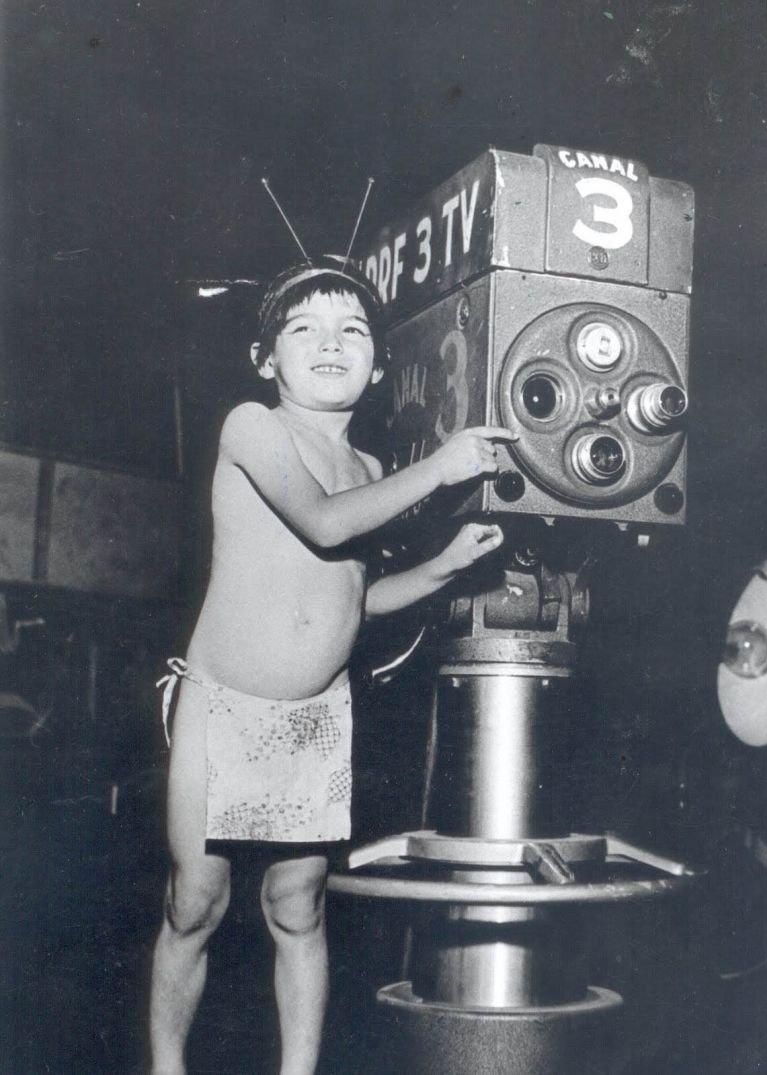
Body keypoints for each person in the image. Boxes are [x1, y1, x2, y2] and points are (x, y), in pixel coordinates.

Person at [149, 256, 515, 1075]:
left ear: (378, 367)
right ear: (265, 358)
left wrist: (446, 565)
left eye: (352, 330)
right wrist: (444, 466)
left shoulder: (373, 473)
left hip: (316, 715)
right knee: (195, 903)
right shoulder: (252, 426)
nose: (329, 343)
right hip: (223, 702)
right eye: (303, 328)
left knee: (298, 906)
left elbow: (357, 598)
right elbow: (321, 523)